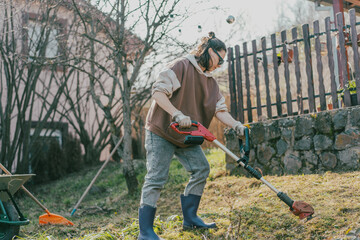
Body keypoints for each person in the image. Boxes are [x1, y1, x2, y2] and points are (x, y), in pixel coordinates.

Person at [138, 32, 246, 240]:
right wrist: (176, 113)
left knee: (201, 169)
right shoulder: (181, 66)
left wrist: (236, 125)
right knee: (156, 178)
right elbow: (158, 93)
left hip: (186, 136)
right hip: (162, 130)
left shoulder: (211, 82)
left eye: (224, 62)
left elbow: (220, 110)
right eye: (219, 59)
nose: (220, 65)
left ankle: (190, 218)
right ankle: (145, 232)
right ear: (207, 51)